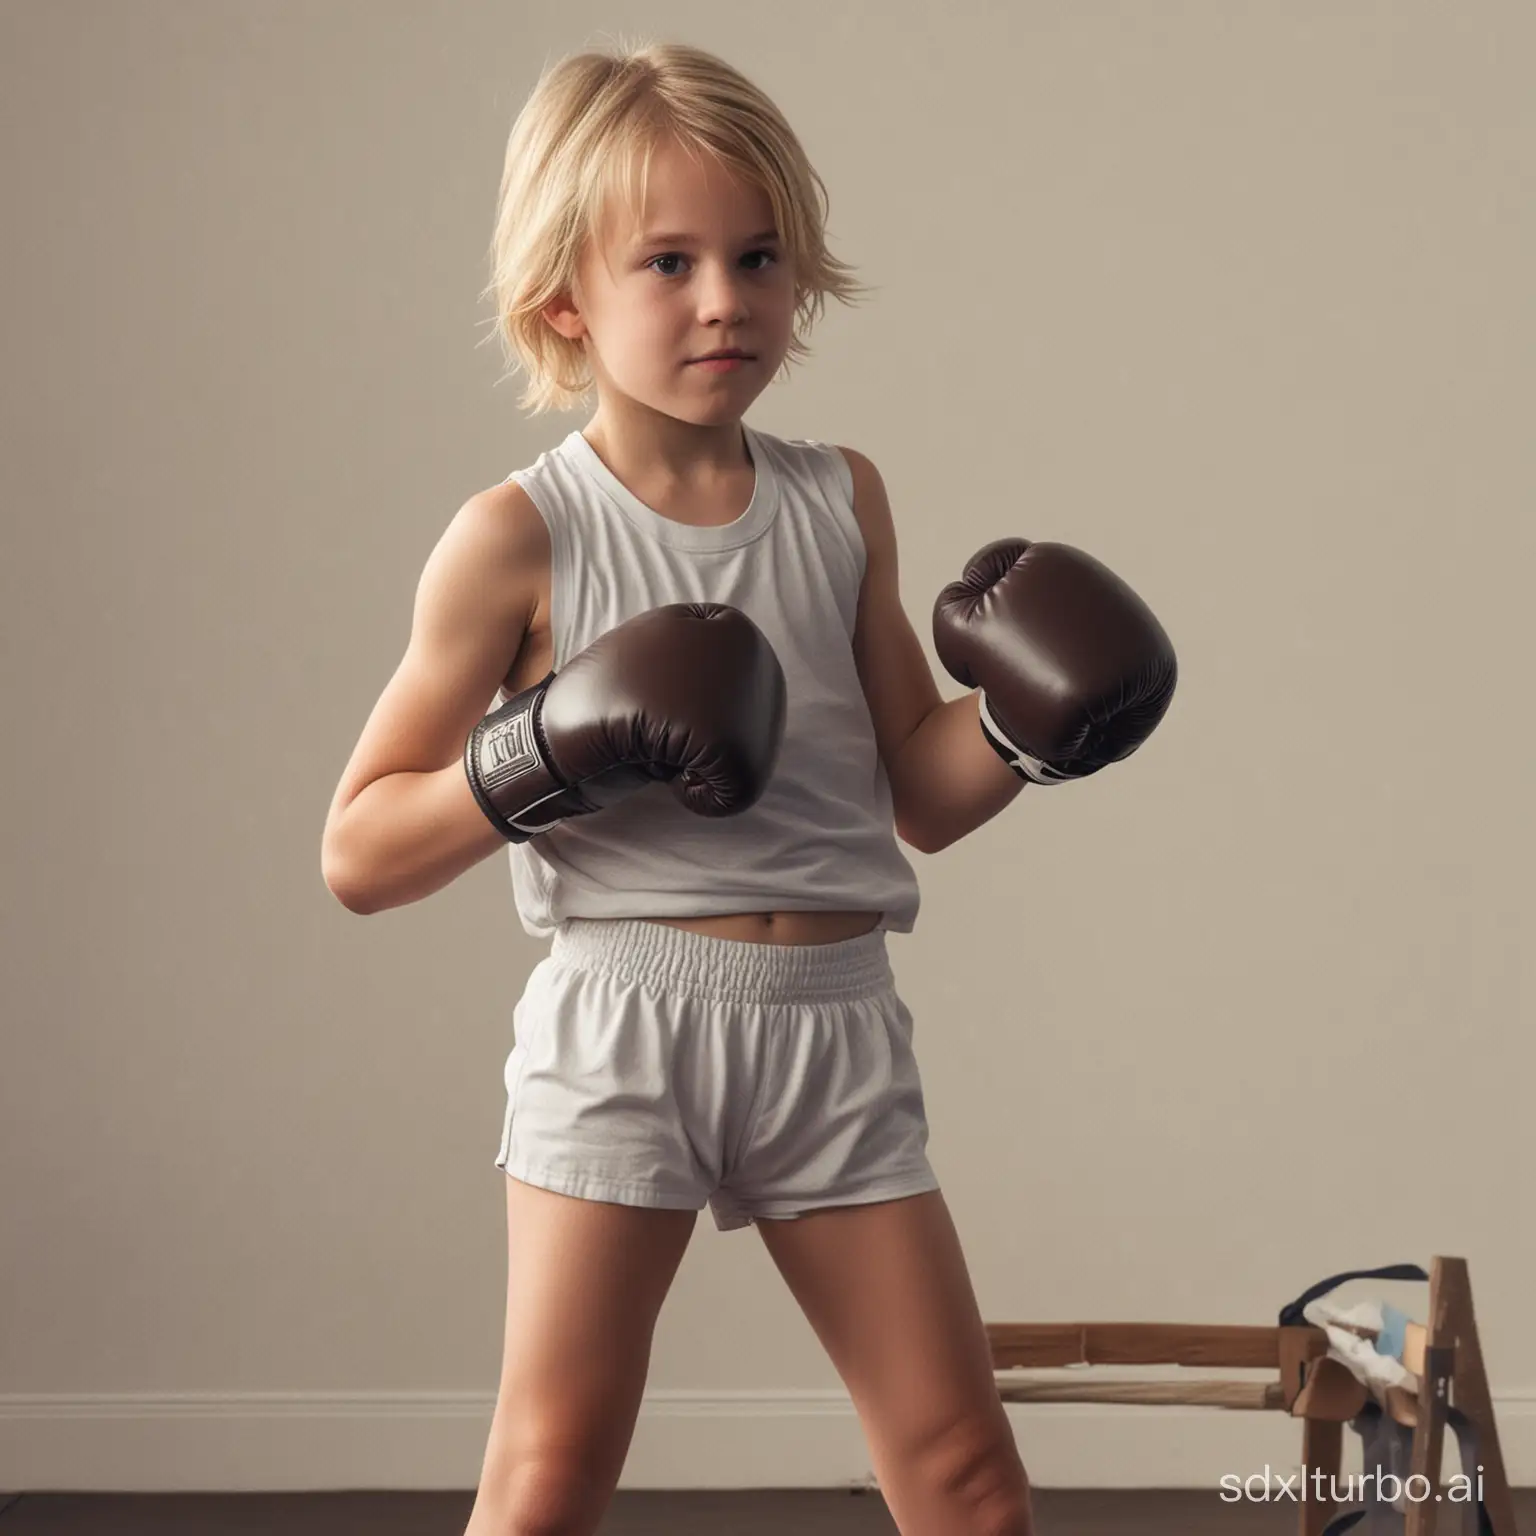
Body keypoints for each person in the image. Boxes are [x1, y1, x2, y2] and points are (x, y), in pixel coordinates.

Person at [320, 38, 1175, 1536]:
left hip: (833, 1023)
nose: (726, 297)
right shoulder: (520, 535)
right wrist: (556, 745)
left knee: (964, 1467)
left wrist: (1034, 730)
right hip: (623, 1022)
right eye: (668, 260)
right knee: (550, 1470)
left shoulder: (839, 498)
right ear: (562, 301)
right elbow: (361, 849)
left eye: (758, 253)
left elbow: (915, 787)